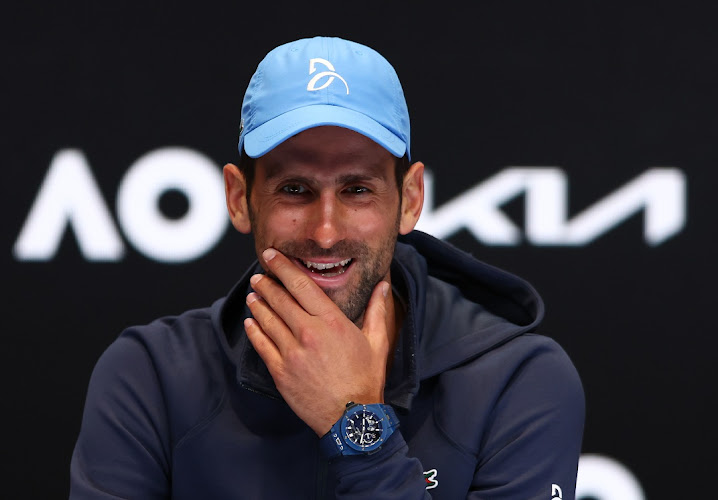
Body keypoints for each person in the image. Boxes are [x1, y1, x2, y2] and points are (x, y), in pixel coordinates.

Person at [70, 36, 584, 499]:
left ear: (409, 200)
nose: (325, 232)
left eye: (357, 190)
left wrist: (358, 426)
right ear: (239, 198)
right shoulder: (150, 376)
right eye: (295, 189)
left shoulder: (517, 380)